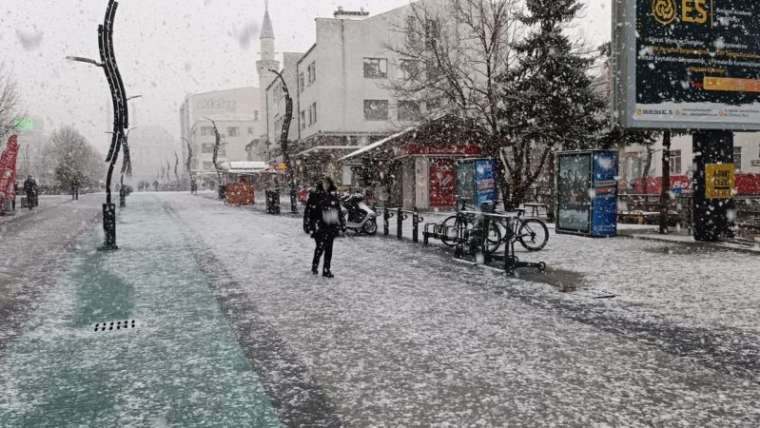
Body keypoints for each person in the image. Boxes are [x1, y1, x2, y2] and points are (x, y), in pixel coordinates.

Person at [307, 177, 345, 278]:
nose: (326, 185)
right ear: (321, 184)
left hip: (331, 226)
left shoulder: (333, 196)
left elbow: (338, 210)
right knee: (320, 247)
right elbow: (310, 213)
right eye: (324, 183)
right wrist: (310, 227)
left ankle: (326, 270)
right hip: (320, 226)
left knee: (329, 249)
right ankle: (315, 266)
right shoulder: (315, 195)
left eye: (328, 184)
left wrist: (342, 224)